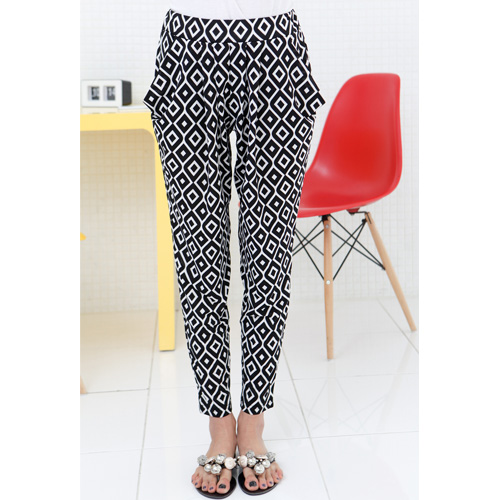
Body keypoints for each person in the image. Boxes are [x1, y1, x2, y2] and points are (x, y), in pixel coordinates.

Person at [143, 1, 326, 496]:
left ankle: (254, 421)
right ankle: (219, 426)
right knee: (199, 256)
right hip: (188, 48)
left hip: (275, 46)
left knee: (269, 255)